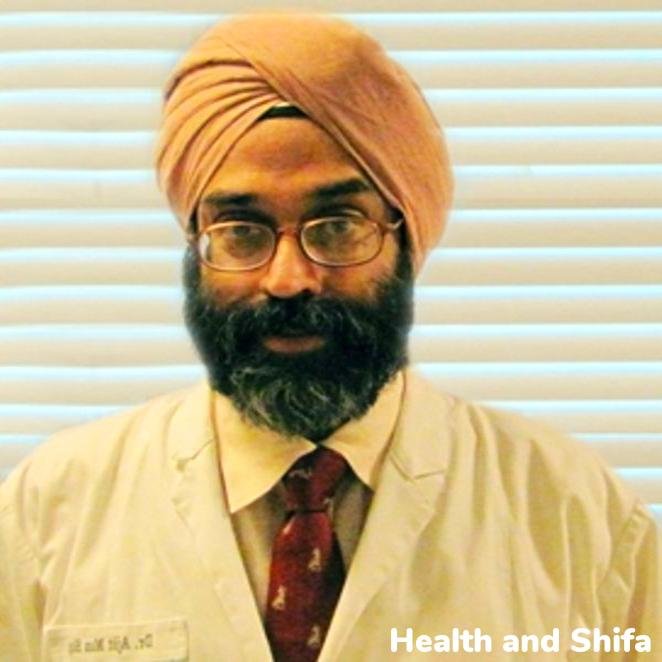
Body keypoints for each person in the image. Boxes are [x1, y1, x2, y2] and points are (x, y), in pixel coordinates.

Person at [0, 12, 659, 662]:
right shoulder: (51, 510)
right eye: (241, 232)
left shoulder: (572, 514)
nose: (288, 279)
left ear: (406, 239)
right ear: (195, 244)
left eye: (338, 225)